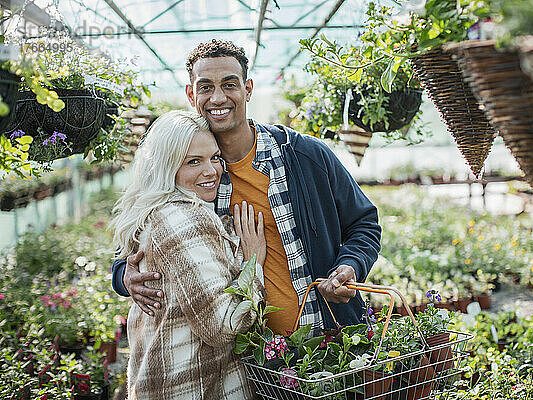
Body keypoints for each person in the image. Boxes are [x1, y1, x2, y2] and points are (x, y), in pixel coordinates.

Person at [112, 39, 382, 335]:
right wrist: (123, 274)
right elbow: (141, 226)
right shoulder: (192, 175)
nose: (217, 98)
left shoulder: (304, 155)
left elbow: (364, 222)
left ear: (247, 89)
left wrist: (350, 265)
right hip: (249, 361)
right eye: (205, 87)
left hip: (329, 338)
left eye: (229, 85)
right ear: (191, 94)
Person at [110, 110, 265, 399]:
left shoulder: (153, 213)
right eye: (193, 161)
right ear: (168, 166)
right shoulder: (185, 219)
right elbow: (222, 326)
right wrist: (253, 263)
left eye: (215, 158)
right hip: (194, 388)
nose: (211, 171)